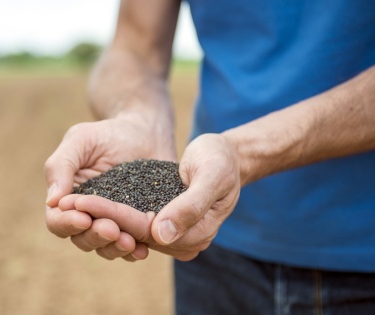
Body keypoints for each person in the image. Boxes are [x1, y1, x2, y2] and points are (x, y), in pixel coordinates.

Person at [45, 0, 375, 314]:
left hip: (361, 259)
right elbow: (133, 48)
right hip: (214, 250)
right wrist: (138, 118)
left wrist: (241, 153)